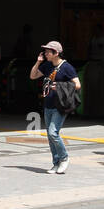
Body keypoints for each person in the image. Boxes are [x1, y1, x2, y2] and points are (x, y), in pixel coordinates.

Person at [30, 40, 80, 174]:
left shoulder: (67, 67)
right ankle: (56, 163)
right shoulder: (47, 65)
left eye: (48, 51)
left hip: (60, 105)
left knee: (53, 132)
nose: (45, 53)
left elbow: (77, 84)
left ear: (56, 53)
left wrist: (58, 86)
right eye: (45, 51)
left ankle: (64, 158)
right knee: (50, 136)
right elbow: (33, 76)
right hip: (48, 104)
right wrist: (38, 62)